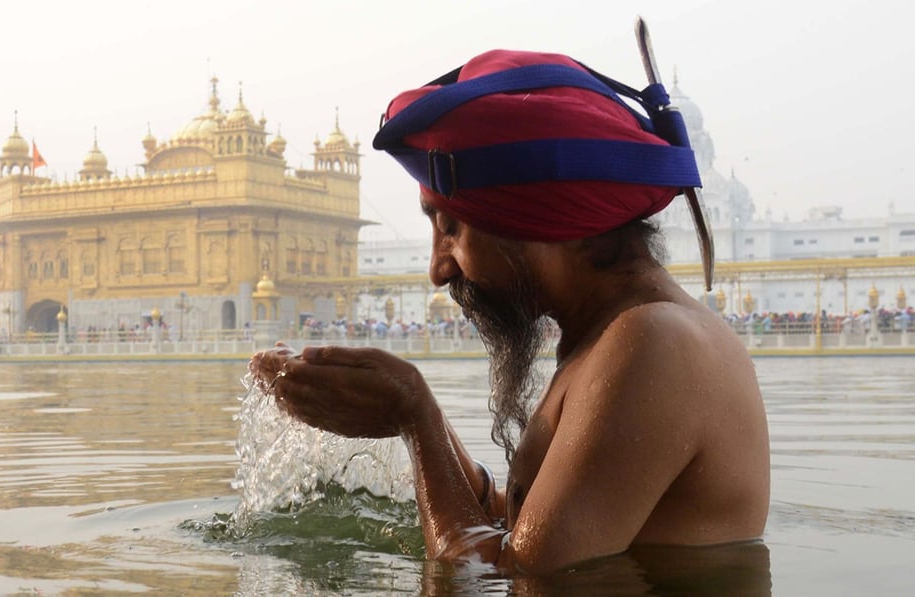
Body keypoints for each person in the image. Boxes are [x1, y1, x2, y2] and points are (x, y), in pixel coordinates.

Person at [250, 45, 769, 575]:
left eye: (450, 228)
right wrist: (409, 422)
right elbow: (532, 528)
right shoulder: (610, 335)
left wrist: (414, 414)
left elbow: (515, 577)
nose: (438, 268)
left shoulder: (653, 344)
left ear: (533, 220)